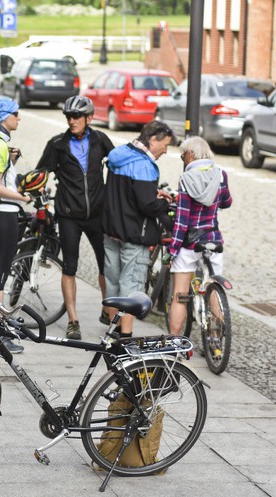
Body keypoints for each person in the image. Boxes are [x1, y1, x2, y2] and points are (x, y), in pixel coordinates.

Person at [36, 95, 115, 340]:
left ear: (89, 118)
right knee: (70, 266)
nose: (72, 120)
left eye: (76, 116)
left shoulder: (100, 140)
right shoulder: (57, 144)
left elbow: (118, 164)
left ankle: (109, 314)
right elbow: (41, 174)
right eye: (68, 116)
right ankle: (73, 320)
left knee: (107, 266)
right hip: (69, 215)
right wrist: (39, 193)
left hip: (97, 215)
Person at [103, 120, 174, 337]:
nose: (166, 150)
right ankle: (125, 336)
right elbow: (147, 205)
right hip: (134, 234)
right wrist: (164, 202)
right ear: (153, 139)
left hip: (111, 230)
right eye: (165, 144)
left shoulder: (120, 154)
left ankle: (113, 331)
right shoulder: (144, 164)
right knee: (131, 286)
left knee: (112, 283)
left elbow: (128, 193)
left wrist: (151, 194)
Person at [0, 96, 33, 348]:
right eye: (15, 114)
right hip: (3, 214)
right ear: (4, 117)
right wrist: (23, 196)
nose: (19, 118)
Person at [168, 136, 233, 335]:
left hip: (190, 243)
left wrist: (173, 249)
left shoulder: (186, 179)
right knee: (213, 287)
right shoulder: (220, 175)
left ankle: (175, 343)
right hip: (213, 238)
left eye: (183, 155)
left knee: (180, 294)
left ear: (191, 154)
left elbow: (182, 220)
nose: (183, 159)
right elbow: (227, 202)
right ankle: (215, 342)